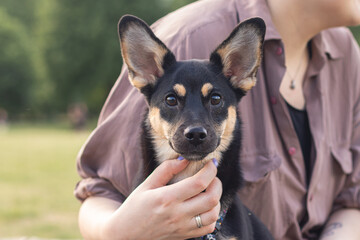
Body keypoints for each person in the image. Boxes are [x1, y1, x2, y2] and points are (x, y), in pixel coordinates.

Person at [74, 0, 360, 239]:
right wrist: (118, 231)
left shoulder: (347, 55)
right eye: (173, 101)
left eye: (214, 101)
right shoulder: (186, 36)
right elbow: (100, 189)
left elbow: (352, 198)